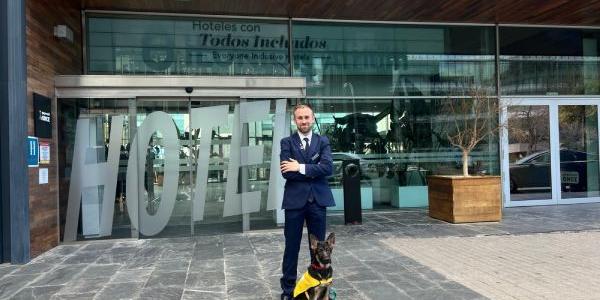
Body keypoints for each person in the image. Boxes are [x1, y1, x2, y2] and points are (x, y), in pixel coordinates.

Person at [279, 103, 335, 299]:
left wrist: (300, 167)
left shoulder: (323, 141)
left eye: (307, 117)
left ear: (313, 118)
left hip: (317, 201)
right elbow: (287, 173)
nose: (303, 121)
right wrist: (313, 169)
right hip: (295, 202)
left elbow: (328, 168)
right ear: (295, 120)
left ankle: (320, 286)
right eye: (300, 118)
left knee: (319, 249)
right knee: (291, 247)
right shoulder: (286, 142)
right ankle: (288, 290)